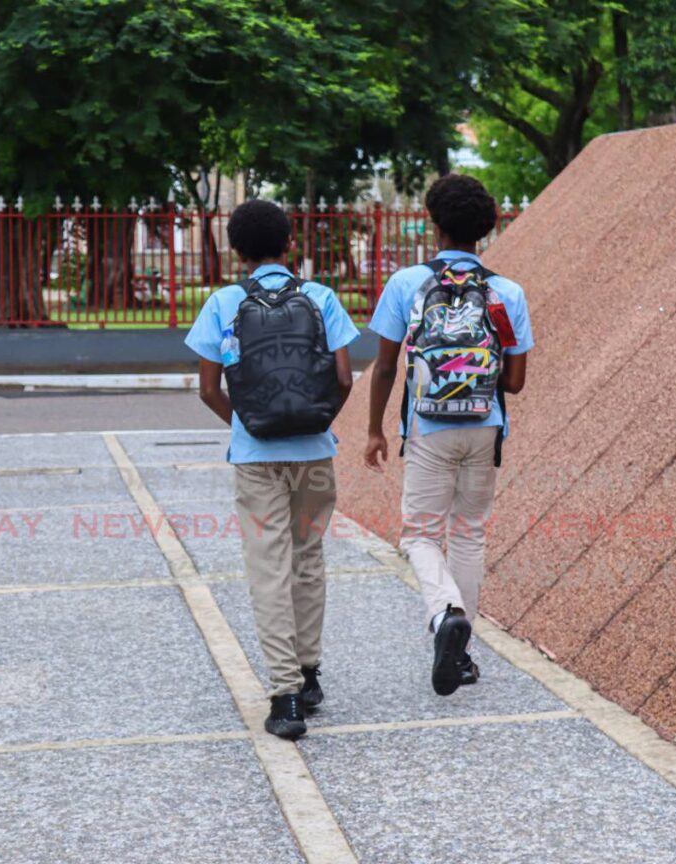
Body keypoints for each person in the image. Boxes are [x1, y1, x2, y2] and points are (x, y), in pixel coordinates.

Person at [187, 199, 359, 740]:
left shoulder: (223, 301)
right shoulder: (321, 297)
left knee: (268, 567)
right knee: (308, 557)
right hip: (314, 454)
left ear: (237, 251)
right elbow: (346, 379)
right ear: (290, 244)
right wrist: (316, 421)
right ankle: (309, 676)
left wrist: (250, 423)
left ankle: (284, 696)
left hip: (256, 457)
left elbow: (208, 388)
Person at [363, 174, 533, 696]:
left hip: (428, 427)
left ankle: (444, 615)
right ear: (485, 230)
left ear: (434, 226)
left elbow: (386, 367)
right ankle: (461, 656)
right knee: (469, 533)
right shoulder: (505, 292)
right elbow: (516, 382)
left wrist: (374, 429)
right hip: (485, 427)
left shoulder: (407, 283)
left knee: (419, 533)